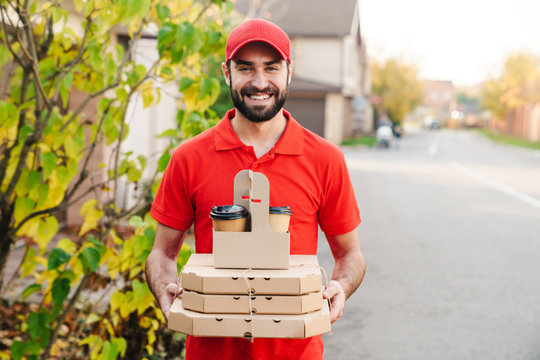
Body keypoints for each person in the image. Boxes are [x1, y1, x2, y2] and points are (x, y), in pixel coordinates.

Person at [145, 18, 366, 360]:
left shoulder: (326, 159)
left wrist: (341, 287)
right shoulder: (188, 158)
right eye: (245, 68)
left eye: (271, 68)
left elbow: (350, 254)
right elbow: (162, 253)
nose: (259, 82)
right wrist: (164, 291)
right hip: (210, 351)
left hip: (296, 352)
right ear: (226, 72)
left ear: (288, 71)